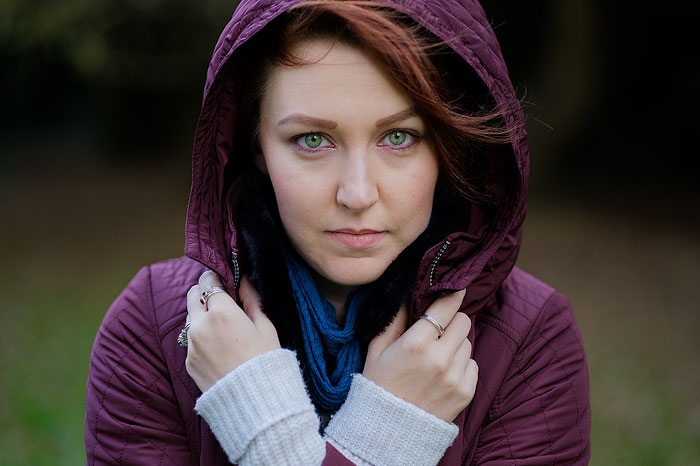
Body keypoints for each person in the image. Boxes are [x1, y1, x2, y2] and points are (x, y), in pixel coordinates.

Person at [85, 0, 591, 464]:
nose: (357, 193)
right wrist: (378, 440)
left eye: (399, 137)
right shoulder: (153, 326)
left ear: (448, 146)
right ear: (257, 144)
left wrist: (281, 436)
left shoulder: (528, 341)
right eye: (312, 139)